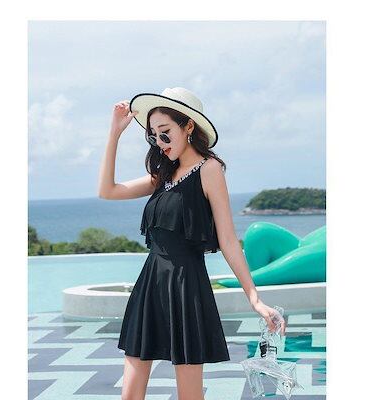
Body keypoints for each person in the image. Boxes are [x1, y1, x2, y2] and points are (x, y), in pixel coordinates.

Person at [98, 87, 286, 400]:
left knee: (189, 395)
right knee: (129, 394)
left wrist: (254, 298)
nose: (160, 142)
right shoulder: (163, 174)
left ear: (188, 126)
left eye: (166, 132)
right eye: (154, 136)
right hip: (150, 284)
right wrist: (115, 133)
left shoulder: (210, 169)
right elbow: (108, 190)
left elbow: (228, 239)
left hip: (186, 286)